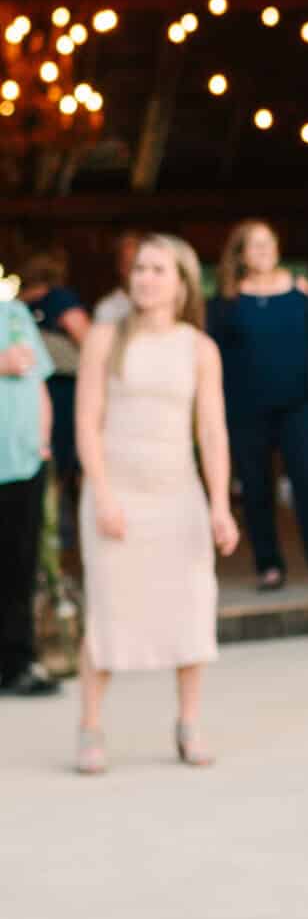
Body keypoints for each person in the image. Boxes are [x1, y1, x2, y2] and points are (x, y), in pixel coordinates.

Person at [73, 235, 239, 773]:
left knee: (189, 604)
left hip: (177, 492)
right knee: (107, 609)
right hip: (117, 488)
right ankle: (91, 727)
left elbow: (212, 431)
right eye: (139, 268)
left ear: (182, 282)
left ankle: (189, 722)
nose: (144, 278)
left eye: (157, 269)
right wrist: (101, 492)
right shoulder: (104, 336)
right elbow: (87, 421)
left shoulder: (199, 348)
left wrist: (219, 504)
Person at [207, 220, 308, 591]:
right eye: (253, 246)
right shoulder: (226, 301)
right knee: (257, 489)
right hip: (245, 409)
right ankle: (268, 566)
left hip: (296, 406)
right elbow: (214, 356)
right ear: (240, 254)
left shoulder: (299, 294)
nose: (262, 251)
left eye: (267, 244)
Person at [0, 278, 57, 697]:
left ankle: (18, 663)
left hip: (23, 460)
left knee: (20, 566)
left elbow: (39, 381)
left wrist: (42, 440)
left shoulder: (16, 313)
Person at [17, 250, 91, 548]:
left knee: (59, 462)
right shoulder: (29, 304)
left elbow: (85, 339)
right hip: (51, 390)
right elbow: (84, 337)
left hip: (58, 388)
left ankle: (61, 534)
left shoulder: (51, 300)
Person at [91, 229, 143, 325]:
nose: (136, 271)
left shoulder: (163, 304)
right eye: (129, 264)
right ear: (120, 267)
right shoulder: (108, 309)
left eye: (140, 265)